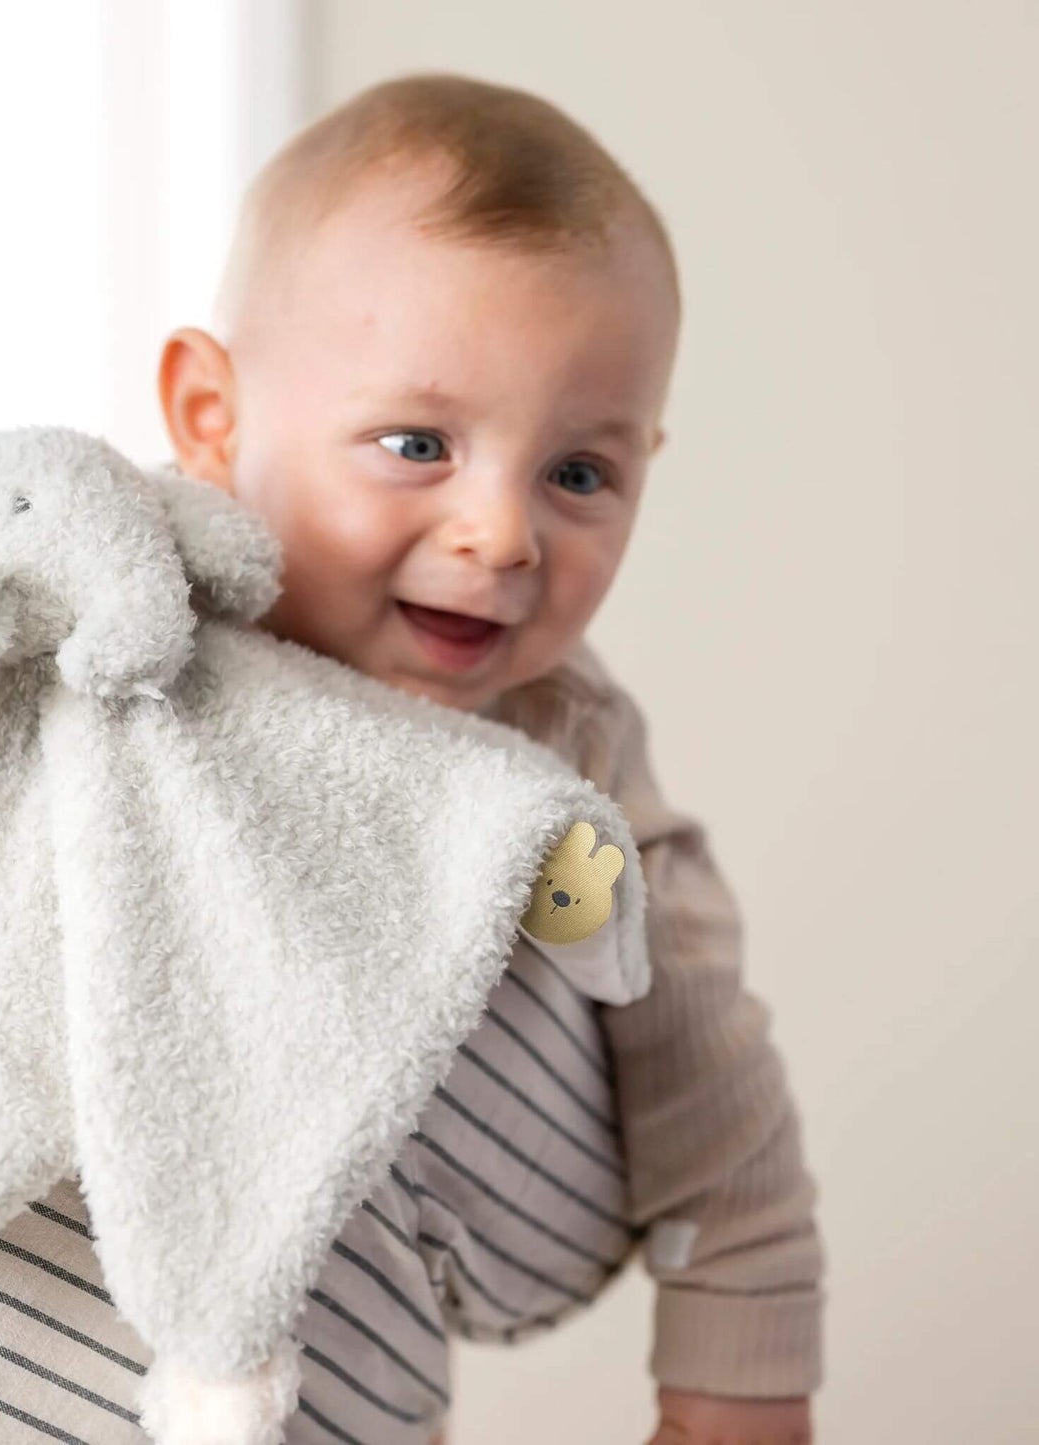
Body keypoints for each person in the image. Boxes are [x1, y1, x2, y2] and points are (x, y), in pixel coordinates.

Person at [155, 75, 824, 1445]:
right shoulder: (128, 620)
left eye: (578, 473)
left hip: (372, 1342)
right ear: (213, 419)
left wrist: (733, 1384)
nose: (501, 535)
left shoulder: (561, 753)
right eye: (417, 445)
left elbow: (711, 1077)